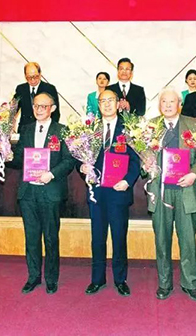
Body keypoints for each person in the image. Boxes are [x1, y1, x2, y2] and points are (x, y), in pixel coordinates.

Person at [11, 92, 75, 295]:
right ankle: (33, 276)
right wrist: (7, 154)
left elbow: (69, 160)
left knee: (50, 237)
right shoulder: (26, 129)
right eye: (36, 106)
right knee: (31, 238)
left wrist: (51, 174)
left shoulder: (62, 131)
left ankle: (51, 278)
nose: (39, 110)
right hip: (28, 192)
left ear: (52, 109)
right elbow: (18, 158)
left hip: (51, 191)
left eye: (44, 106)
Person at [81, 89, 140, 297]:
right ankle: (97, 279)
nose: (106, 104)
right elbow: (81, 157)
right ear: (98, 105)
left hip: (118, 191)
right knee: (97, 237)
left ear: (118, 104)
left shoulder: (129, 129)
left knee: (118, 236)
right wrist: (82, 167)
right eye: (102, 101)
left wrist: (128, 181)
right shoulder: (90, 129)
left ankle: (120, 279)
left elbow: (136, 161)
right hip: (96, 192)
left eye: (110, 100)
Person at [147, 88, 196, 302]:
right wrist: (147, 164)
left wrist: (194, 174)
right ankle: (164, 283)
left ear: (179, 104)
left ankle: (191, 283)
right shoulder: (150, 127)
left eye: (172, 102)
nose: (168, 105)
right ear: (159, 104)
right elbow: (143, 153)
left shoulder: (195, 125)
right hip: (160, 191)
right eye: (164, 102)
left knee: (188, 240)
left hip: (186, 190)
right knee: (162, 239)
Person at [15, 62, 60, 130]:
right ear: (25, 76)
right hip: (24, 129)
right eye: (29, 77)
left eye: (35, 76)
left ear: (40, 74)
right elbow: (13, 110)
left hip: (44, 129)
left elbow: (56, 114)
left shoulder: (49, 89)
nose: (32, 80)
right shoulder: (21, 89)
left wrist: (51, 130)